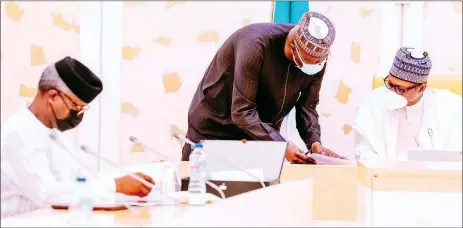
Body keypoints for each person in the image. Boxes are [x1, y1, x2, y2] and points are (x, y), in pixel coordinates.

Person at [1, 56, 155, 218]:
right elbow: (47, 194)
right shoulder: (19, 132)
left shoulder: (53, 133)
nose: (77, 115)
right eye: (75, 106)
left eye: (82, 109)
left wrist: (127, 178)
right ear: (53, 96)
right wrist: (115, 185)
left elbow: (79, 180)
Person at [181, 12, 344, 164]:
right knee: (204, 191)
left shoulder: (315, 61)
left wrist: (314, 142)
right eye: (309, 61)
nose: (315, 66)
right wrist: (281, 146)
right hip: (213, 131)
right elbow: (242, 112)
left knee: (257, 192)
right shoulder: (254, 44)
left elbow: (307, 106)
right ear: (293, 46)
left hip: (258, 137)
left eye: (320, 61)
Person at [353, 47, 462, 161]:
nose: (392, 91)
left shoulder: (450, 107)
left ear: (421, 88)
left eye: (400, 89)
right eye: (390, 84)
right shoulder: (373, 102)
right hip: (386, 176)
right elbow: (363, 152)